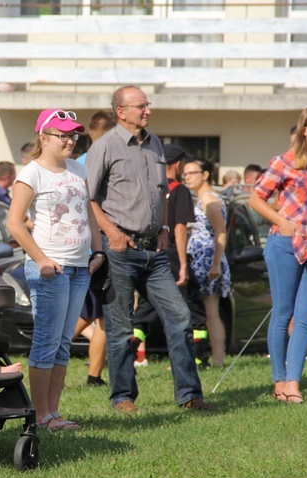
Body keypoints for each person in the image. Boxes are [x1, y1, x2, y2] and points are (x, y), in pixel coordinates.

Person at [86, 85, 216, 413]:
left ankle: (189, 396)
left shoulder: (155, 142)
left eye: (148, 105)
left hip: (153, 253)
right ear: (121, 112)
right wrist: (111, 233)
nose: (148, 111)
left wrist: (161, 228)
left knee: (181, 316)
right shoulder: (105, 146)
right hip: (119, 249)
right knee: (120, 328)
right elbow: (88, 199)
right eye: (141, 106)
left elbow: (159, 193)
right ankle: (123, 398)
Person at [7, 107, 104, 432]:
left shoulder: (78, 168)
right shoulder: (31, 173)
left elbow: (88, 211)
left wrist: (99, 251)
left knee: (63, 341)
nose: (70, 140)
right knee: (47, 342)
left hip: (79, 267)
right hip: (51, 269)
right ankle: (39, 415)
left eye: (73, 134)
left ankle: (53, 413)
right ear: (43, 137)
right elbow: (14, 223)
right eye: (62, 135)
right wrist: (42, 259)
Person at [250, 105, 307, 404]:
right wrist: (283, 223)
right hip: (285, 245)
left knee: (305, 318)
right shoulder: (285, 162)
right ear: (305, 129)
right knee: (283, 313)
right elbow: (256, 198)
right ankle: (279, 380)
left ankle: (294, 383)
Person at [131, 143, 208, 368]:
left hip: (149, 250)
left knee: (146, 305)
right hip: (173, 251)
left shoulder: (149, 187)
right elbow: (180, 228)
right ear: (176, 164)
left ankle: (131, 350)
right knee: (193, 303)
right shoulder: (179, 190)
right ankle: (198, 357)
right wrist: (184, 264)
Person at [75, 109, 116, 385]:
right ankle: (54, 348)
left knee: (97, 314)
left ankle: (95, 375)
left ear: (90, 132)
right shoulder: (108, 159)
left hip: (82, 247)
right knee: (95, 313)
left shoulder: (76, 162)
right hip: (102, 245)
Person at [184, 158, 231, 367]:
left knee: (211, 312)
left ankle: (218, 359)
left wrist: (216, 263)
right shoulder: (201, 199)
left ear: (205, 175)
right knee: (203, 312)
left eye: (192, 173)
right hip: (200, 259)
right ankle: (208, 357)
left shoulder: (210, 200)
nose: (187, 178)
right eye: (185, 174)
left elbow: (221, 232)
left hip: (208, 260)